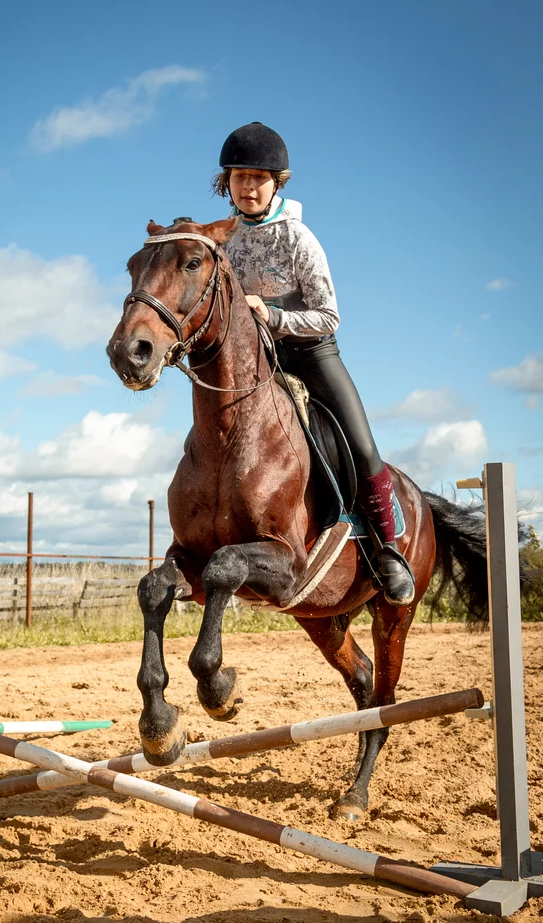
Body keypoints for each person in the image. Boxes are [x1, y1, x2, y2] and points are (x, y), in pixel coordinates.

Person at [213, 121, 415, 606]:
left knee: (362, 446)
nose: (248, 186)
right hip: (254, 366)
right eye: (239, 177)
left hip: (312, 353)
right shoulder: (224, 240)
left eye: (258, 178)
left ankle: (388, 549)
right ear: (228, 183)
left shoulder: (300, 239)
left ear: (276, 182)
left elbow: (330, 316)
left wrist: (273, 313)